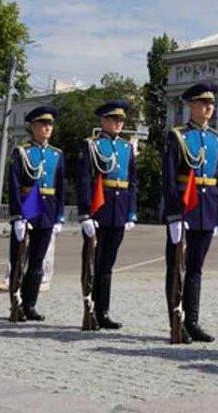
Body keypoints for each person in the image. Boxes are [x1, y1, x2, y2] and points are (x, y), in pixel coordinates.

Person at [162, 81, 218, 343]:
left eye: (211, 103)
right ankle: (176, 323)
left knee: (196, 268)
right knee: (176, 266)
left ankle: (193, 321)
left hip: (208, 207)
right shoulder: (178, 136)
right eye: (203, 103)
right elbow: (169, 178)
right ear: (191, 105)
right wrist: (174, 214)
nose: (208, 107)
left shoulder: (217, 139)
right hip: (184, 208)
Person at [77, 99, 138, 330]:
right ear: (103, 121)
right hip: (98, 209)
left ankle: (103, 312)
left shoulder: (126, 147)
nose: (119, 123)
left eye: (121, 120)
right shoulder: (91, 145)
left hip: (119, 209)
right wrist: (85, 214)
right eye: (114, 119)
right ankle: (90, 309)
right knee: (92, 262)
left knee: (107, 265)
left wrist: (131, 212)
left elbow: (132, 182)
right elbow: (84, 181)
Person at [8, 105, 65, 322]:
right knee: (19, 259)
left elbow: (59, 187)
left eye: (50, 124)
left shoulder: (56, 154)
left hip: (47, 208)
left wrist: (59, 216)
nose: (47, 128)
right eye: (43, 124)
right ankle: (16, 303)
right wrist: (17, 216)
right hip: (28, 206)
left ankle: (30, 304)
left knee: (37, 262)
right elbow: (14, 186)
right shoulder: (22, 152)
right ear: (33, 127)